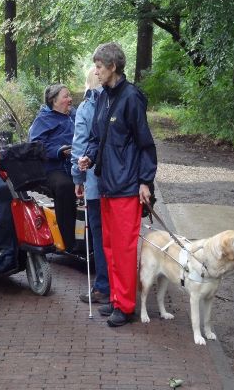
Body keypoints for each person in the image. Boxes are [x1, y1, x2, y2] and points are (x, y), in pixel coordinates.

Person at [78, 42, 157, 327]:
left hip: (126, 185)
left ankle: (126, 305)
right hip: (105, 182)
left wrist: (145, 181)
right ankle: (114, 296)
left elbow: (145, 144)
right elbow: (97, 136)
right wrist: (88, 156)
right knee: (109, 245)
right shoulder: (101, 97)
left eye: (99, 66)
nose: (95, 71)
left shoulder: (131, 97)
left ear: (113, 67)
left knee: (124, 248)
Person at [71, 68, 109, 304]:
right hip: (119, 184)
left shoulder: (86, 108)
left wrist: (77, 178)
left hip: (95, 182)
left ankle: (103, 286)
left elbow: (80, 147)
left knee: (99, 234)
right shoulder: (115, 101)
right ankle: (119, 284)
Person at [28, 84, 77, 253]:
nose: (70, 99)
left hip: (74, 165)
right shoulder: (43, 119)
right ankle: (67, 242)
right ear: (53, 101)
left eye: (69, 96)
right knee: (65, 187)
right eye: (66, 96)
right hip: (51, 169)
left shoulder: (73, 116)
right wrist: (59, 150)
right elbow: (36, 146)